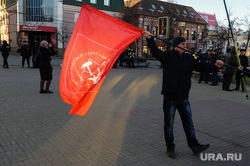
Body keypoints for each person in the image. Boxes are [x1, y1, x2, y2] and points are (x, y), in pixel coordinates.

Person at [143, 30, 224, 158]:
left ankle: (194, 146)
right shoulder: (168, 56)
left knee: (188, 123)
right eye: (183, 44)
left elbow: (202, 67)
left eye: (186, 44)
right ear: (176, 45)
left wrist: (215, 66)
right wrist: (149, 39)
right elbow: (156, 52)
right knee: (169, 124)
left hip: (184, 98)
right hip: (170, 97)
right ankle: (170, 148)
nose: (185, 46)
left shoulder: (189, 58)